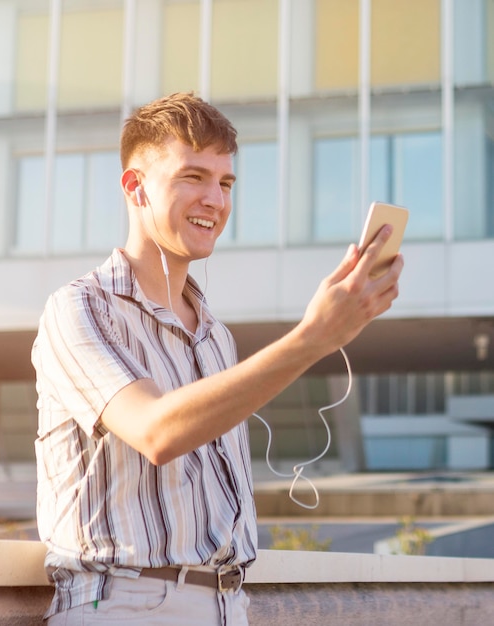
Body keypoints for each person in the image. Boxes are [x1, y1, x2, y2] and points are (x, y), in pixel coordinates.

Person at [32, 92, 403, 625]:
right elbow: (157, 432)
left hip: (227, 604)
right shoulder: (79, 309)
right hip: (121, 605)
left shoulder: (214, 335)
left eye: (225, 183)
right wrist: (312, 338)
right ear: (135, 187)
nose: (216, 200)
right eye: (193, 177)